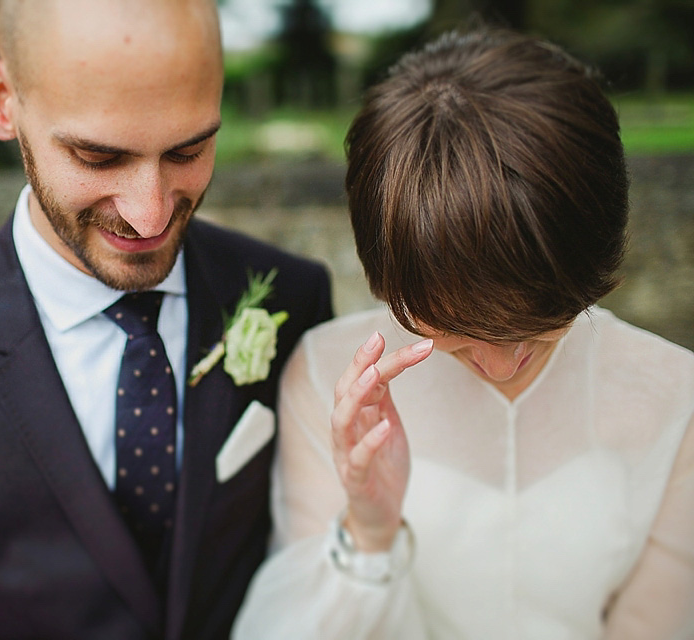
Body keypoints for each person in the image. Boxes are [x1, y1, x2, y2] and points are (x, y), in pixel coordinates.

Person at [0, 0, 333, 638]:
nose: (149, 216)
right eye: (99, 158)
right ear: (1, 98)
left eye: (188, 151)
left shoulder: (294, 296)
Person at [233, 27, 694, 639]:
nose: (502, 365)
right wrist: (368, 533)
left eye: (538, 321)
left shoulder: (676, 395)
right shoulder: (324, 376)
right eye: (454, 327)